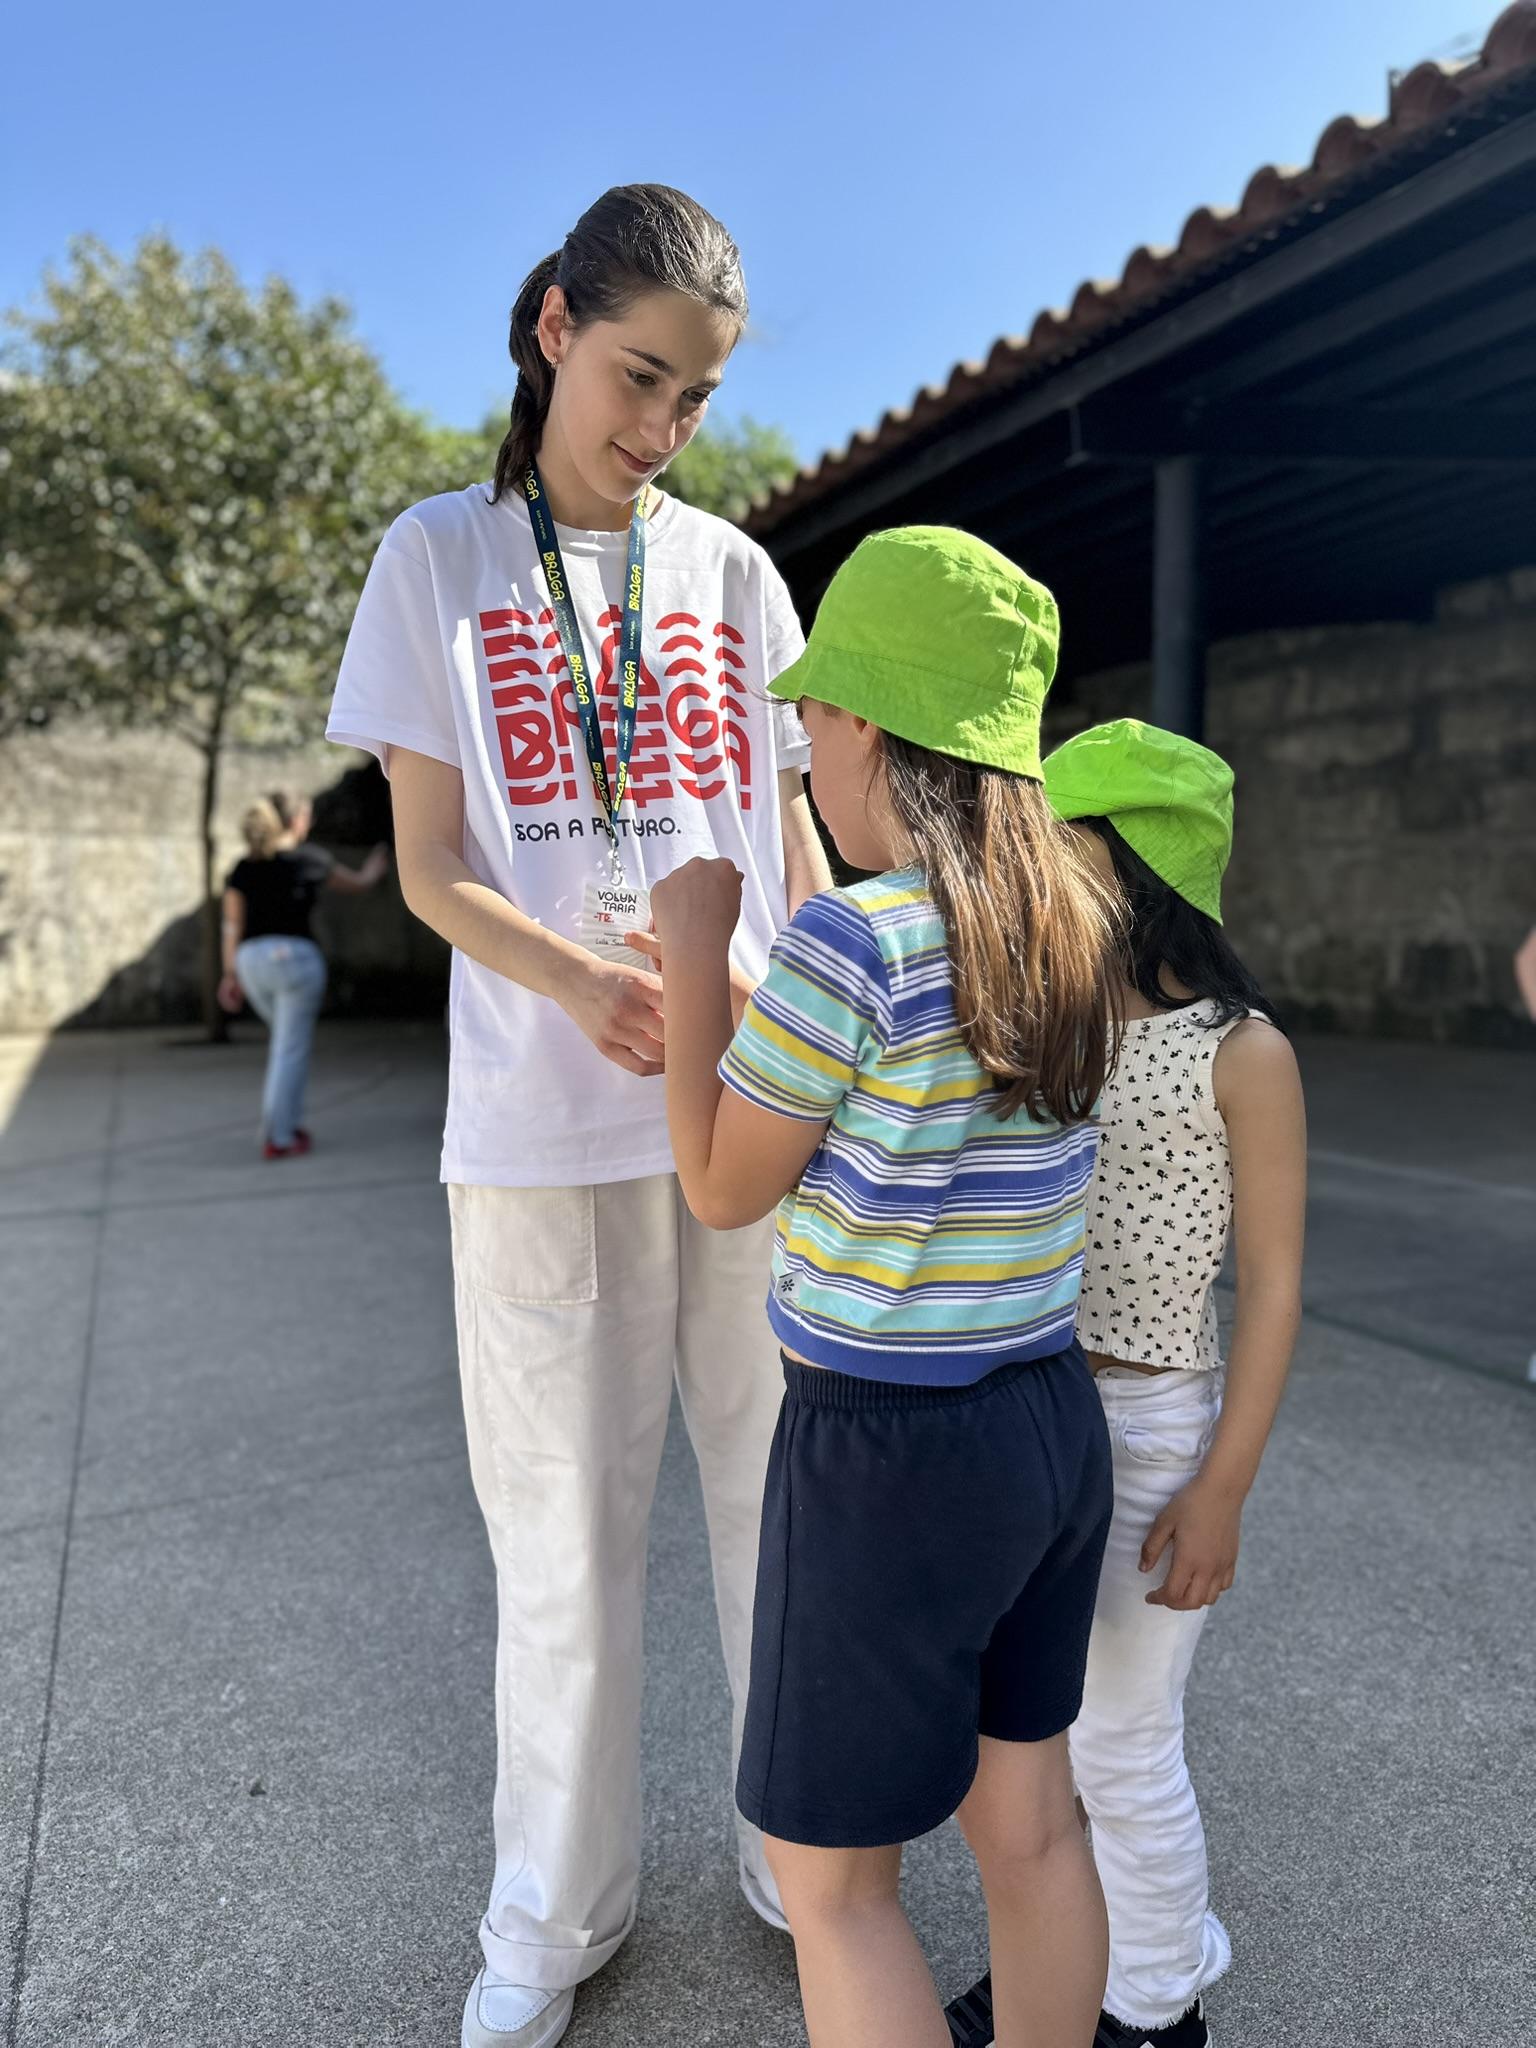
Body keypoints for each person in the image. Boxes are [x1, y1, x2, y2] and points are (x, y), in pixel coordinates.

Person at [325, 184, 831, 2048]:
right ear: (552, 324)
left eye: (692, 398)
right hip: (544, 1126)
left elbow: (797, 852)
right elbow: (432, 870)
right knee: (562, 1540)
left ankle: (810, 1861)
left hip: (757, 1120)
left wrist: (824, 1020)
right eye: (640, 377)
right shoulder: (438, 559)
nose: (662, 429)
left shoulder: (736, 577)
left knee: (787, 1510)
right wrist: (587, 982)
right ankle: (551, 1916)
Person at [648, 525, 1125, 2048]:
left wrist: (691, 956)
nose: (803, 751)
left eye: (811, 724)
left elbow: (727, 1183)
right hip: (1045, 1424)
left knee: (834, 1881)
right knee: (1032, 1826)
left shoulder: (850, 937)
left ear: (870, 728)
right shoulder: (1072, 924)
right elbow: (905, 1098)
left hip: (884, 1451)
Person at [945, 719, 1308, 2048]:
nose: (1039, 870)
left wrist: (1224, 1488)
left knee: (1120, 1736)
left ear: (1132, 864)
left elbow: (1271, 1284)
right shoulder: (1044, 1025)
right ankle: (1082, 1959)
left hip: (1155, 1425)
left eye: (1064, 846)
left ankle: (1152, 2007)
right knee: (1037, 1733)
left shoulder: (1241, 1052)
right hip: (1035, 1408)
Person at [218, 792, 388, 1157]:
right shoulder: (311, 858)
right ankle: (278, 1138)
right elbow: (359, 882)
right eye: (307, 816)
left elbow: (232, 927)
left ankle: (286, 1126)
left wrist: (230, 975)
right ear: (296, 821)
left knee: (284, 1046)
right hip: (296, 960)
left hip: (251, 963)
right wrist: (377, 866)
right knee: (289, 1050)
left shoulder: (242, 867)